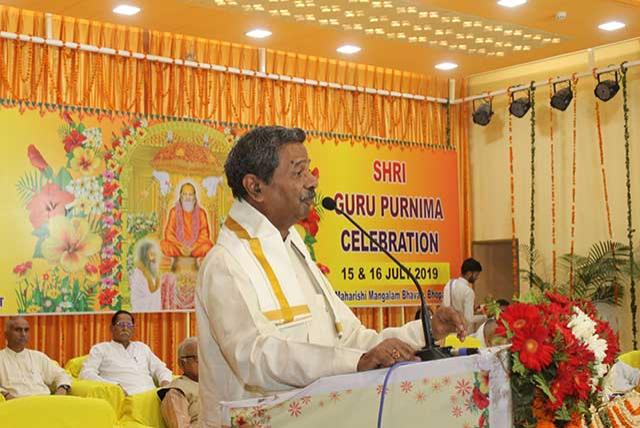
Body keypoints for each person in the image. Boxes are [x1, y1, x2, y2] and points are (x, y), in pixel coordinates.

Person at [196, 126, 466, 427]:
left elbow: (351, 339)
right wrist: (356, 362)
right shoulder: (226, 262)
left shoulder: (294, 246)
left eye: (308, 170)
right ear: (256, 188)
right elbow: (254, 358)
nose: (312, 181)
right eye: (298, 172)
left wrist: (425, 332)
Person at [80, 310, 173, 395]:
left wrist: (165, 382)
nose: (125, 328)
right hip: (126, 397)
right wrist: (113, 386)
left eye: (129, 325)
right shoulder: (101, 349)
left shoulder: (142, 347)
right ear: (112, 328)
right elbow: (86, 373)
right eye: (121, 324)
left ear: (133, 329)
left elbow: (160, 368)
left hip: (152, 395)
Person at [0, 317, 71, 399]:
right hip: (17, 404)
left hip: (45, 401)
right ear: (6, 335)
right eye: (18, 330)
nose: (23, 334)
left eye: (26, 330)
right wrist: (5, 394)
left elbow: (61, 374)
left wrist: (62, 389)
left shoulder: (38, 356)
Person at [161, 182, 214, 258]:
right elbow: (169, 233)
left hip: (195, 249)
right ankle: (183, 253)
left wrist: (192, 248)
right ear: (181, 196)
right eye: (185, 194)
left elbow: (204, 234)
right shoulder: (174, 211)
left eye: (190, 194)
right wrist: (180, 247)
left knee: (208, 247)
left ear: (195, 197)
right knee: (164, 245)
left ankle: (190, 254)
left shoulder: (201, 213)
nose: (187, 197)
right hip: (178, 248)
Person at [158, 337, 200, 428]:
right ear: (181, 363)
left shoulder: (213, 385)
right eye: (197, 357)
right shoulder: (176, 392)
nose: (204, 361)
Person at [442, 258, 486, 329]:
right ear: (469, 273)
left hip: (446, 330)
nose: (477, 278)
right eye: (476, 275)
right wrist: (485, 317)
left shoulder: (449, 284)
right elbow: (468, 319)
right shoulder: (468, 291)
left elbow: (447, 305)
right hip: (461, 333)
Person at [129, 240, 162, 311]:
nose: (154, 256)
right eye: (151, 254)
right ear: (145, 254)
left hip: (145, 299)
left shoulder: (148, 265)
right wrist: (158, 278)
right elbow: (152, 290)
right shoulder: (144, 268)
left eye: (154, 253)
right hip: (142, 302)